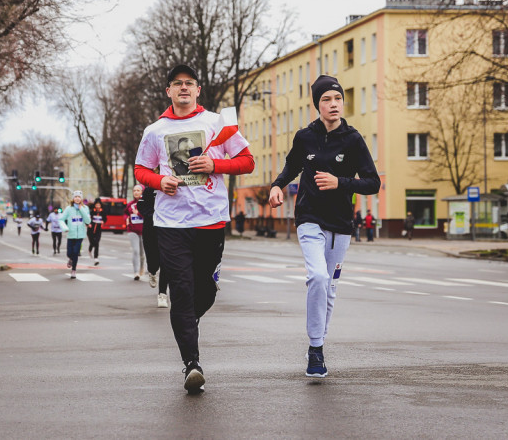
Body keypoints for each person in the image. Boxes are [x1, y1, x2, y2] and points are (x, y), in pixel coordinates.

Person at [134, 64, 255, 392]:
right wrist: (160, 181)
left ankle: (187, 321)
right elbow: (140, 169)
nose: (184, 88)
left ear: (198, 90)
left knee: (204, 291)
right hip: (170, 224)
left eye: (190, 83)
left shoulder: (217, 123)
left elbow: (247, 161)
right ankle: (192, 364)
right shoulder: (154, 131)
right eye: (177, 84)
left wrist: (216, 164)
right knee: (182, 292)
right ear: (169, 91)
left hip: (211, 222)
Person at [269, 75, 380, 379]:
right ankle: (315, 348)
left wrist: (340, 183)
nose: (333, 105)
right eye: (327, 100)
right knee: (317, 277)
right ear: (317, 105)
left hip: (341, 225)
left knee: (329, 287)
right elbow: (291, 167)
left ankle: (318, 343)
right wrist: (277, 187)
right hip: (310, 218)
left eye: (338, 99)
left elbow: (373, 183)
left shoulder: (353, 140)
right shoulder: (305, 137)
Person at [139, 186, 169, 307]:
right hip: (150, 228)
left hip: (167, 228)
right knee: (152, 259)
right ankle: (152, 271)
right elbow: (140, 205)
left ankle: (162, 295)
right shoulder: (149, 189)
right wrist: (152, 215)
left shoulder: (171, 186)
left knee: (166, 262)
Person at [60, 191, 90, 277]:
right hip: (71, 234)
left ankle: (73, 270)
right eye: (76, 196)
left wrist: (81, 209)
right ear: (73, 198)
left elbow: (88, 221)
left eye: (79, 197)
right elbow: (61, 219)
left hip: (80, 235)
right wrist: (65, 228)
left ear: (81, 199)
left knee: (76, 252)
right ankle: (70, 259)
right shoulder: (69, 209)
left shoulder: (85, 208)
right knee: (69, 253)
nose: (77, 198)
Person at [125, 185, 147, 280]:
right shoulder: (130, 204)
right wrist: (126, 218)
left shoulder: (145, 203)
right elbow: (125, 213)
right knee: (135, 251)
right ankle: (136, 272)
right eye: (134, 190)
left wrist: (138, 213)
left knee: (142, 253)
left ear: (142, 192)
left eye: (138, 190)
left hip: (144, 231)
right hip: (132, 230)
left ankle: (142, 267)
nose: (136, 192)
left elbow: (148, 215)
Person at [87, 199, 104, 266]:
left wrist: (103, 221)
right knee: (92, 242)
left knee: (96, 243)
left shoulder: (102, 212)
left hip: (98, 230)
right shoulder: (91, 211)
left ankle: (96, 258)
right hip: (91, 230)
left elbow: (105, 218)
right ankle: (90, 249)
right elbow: (88, 218)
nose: (97, 206)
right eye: (96, 205)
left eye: (99, 205)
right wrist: (89, 223)